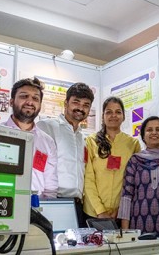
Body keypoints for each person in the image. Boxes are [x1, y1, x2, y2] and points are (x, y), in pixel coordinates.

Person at [118, 116, 159, 255]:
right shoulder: (135, 161)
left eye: (158, 129)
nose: (154, 132)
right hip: (139, 225)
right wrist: (125, 232)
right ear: (143, 136)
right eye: (149, 130)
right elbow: (126, 197)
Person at [37, 82, 94, 227]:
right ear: (66, 103)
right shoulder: (46, 126)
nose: (80, 108)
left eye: (86, 105)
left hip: (77, 205)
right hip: (54, 201)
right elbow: (37, 168)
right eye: (76, 102)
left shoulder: (83, 137)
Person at [83, 96, 141, 222]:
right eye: (109, 112)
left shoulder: (133, 144)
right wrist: (100, 210)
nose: (113, 115)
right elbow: (88, 179)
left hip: (121, 215)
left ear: (124, 116)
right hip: (93, 213)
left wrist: (122, 208)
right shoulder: (91, 141)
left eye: (118, 112)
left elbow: (135, 181)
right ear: (103, 116)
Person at [2, 77, 58, 197]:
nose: (30, 102)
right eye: (24, 96)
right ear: (11, 101)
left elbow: (50, 186)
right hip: (2, 203)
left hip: (36, 207)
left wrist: (45, 209)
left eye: (35, 98)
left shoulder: (47, 142)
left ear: (40, 105)